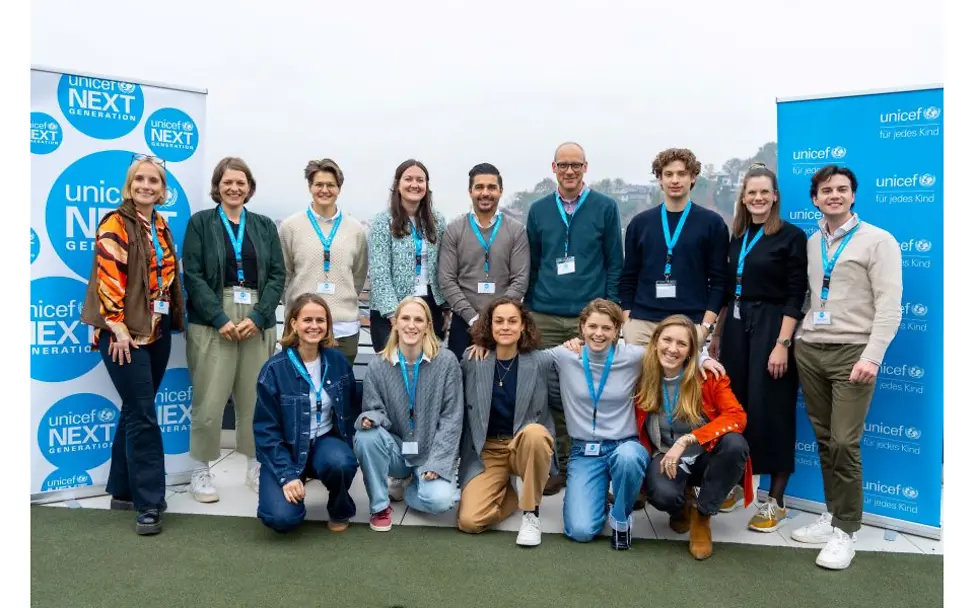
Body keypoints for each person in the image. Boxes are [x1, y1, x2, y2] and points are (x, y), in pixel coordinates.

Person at [790, 165, 902, 571]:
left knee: (843, 442)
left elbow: (890, 307)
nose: (833, 195)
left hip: (853, 352)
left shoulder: (878, 241)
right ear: (815, 199)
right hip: (812, 349)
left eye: (841, 189)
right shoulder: (811, 241)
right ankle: (832, 514)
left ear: (853, 195)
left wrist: (872, 356)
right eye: (825, 190)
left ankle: (847, 531)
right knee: (824, 439)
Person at [80, 154, 185, 535]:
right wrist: (118, 327)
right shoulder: (115, 222)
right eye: (139, 179)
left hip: (155, 332)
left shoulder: (160, 224)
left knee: (134, 409)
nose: (146, 185)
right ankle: (149, 503)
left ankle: (123, 490)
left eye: (153, 180)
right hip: (123, 335)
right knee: (143, 415)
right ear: (129, 185)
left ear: (162, 188)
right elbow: (108, 277)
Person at [708, 164, 807, 530]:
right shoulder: (737, 235)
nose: (758, 198)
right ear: (743, 197)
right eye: (752, 192)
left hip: (771, 328)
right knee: (735, 406)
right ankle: (736, 483)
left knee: (773, 409)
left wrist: (782, 344)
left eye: (765, 192)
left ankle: (775, 500)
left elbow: (796, 295)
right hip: (735, 327)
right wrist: (717, 335)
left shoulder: (790, 236)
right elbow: (726, 288)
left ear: (775, 196)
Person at [182, 157, 286, 502]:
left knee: (256, 399)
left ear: (250, 187)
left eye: (241, 182)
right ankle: (201, 469)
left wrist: (258, 316)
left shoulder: (264, 226)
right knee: (210, 398)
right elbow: (192, 275)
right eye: (228, 182)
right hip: (214, 318)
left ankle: (255, 467)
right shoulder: (200, 223)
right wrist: (219, 318)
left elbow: (276, 276)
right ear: (218, 186)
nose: (234, 188)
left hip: (257, 316)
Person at [525, 142, 624, 495]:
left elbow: (615, 262)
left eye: (576, 165)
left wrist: (609, 311)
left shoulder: (605, 207)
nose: (570, 171)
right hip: (545, 314)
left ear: (586, 167)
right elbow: (533, 263)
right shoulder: (538, 210)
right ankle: (561, 465)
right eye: (563, 165)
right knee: (550, 395)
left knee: (590, 393)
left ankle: (593, 463)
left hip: (591, 319)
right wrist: (528, 311)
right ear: (553, 167)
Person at [634, 314, 752, 560]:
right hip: (665, 455)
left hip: (704, 454)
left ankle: (703, 516)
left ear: (691, 351)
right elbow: (604, 351)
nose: (672, 349)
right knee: (663, 495)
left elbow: (737, 417)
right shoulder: (641, 374)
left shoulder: (709, 376)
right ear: (655, 341)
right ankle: (680, 507)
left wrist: (687, 439)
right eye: (667, 340)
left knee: (734, 444)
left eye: (682, 344)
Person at [354, 297, 464, 532]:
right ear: (395, 322)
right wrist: (371, 418)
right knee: (365, 437)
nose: (411, 325)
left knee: (442, 501)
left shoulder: (446, 362)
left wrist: (439, 463)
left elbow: (452, 419)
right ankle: (380, 506)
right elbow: (375, 409)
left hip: (430, 453)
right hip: (397, 449)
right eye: (405, 318)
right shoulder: (378, 365)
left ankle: (411, 489)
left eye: (418, 320)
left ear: (427, 326)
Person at [253, 294, 360, 533]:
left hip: (324, 442)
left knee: (340, 462)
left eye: (320, 320)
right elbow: (265, 431)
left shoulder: (337, 361)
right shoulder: (274, 370)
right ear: (293, 323)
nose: (314, 326)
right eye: (307, 320)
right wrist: (286, 474)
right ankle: (292, 483)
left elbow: (352, 403)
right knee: (281, 519)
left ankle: (339, 507)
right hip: (286, 449)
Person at [455, 298, 556, 547]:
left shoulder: (541, 362)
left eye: (513, 321)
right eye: (498, 321)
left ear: (523, 326)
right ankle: (509, 494)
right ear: (489, 326)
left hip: (523, 445)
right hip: (487, 449)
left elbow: (559, 403)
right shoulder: (472, 359)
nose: (505, 327)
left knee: (535, 433)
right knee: (469, 522)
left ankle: (531, 513)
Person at [619, 147, 729, 347]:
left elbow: (720, 280)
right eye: (668, 174)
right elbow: (628, 276)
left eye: (682, 174)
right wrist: (627, 321)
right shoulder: (640, 223)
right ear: (660, 179)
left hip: (690, 323)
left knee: (683, 380)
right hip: (642, 324)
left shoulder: (712, 223)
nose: (675, 180)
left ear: (693, 178)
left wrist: (705, 326)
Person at [279, 158, 368, 366]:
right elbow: (284, 274)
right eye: (319, 184)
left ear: (339, 188)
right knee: (296, 389)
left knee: (339, 392)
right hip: (299, 327)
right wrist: (298, 307)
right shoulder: (290, 227)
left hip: (343, 328)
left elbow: (358, 275)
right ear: (310, 187)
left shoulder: (355, 230)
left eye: (331, 185)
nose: (325, 190)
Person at [438, 163, 530, 360]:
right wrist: (474, 319)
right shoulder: (454, 230)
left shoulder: (516, 231)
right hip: (464, 321)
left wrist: (494, 319)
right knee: (461, 382)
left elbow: (520, 280)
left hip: (504, 324)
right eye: (479, 187)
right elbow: (446, 280)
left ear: (500, 191)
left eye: (491, 187)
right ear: (470, 191)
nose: (485, 193)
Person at [368, 159, 447, 352]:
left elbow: (443, 267)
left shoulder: (437, 221)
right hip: (391, 310)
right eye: (408, 179)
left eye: (420, 180)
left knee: (429, 367)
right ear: (397, 185)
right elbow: (379, 273)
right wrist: (396, 316)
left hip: (429, 307)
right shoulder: (382, 222)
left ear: (426, 186)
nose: (414, 184)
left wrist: (445, 307)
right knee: (392, 370)